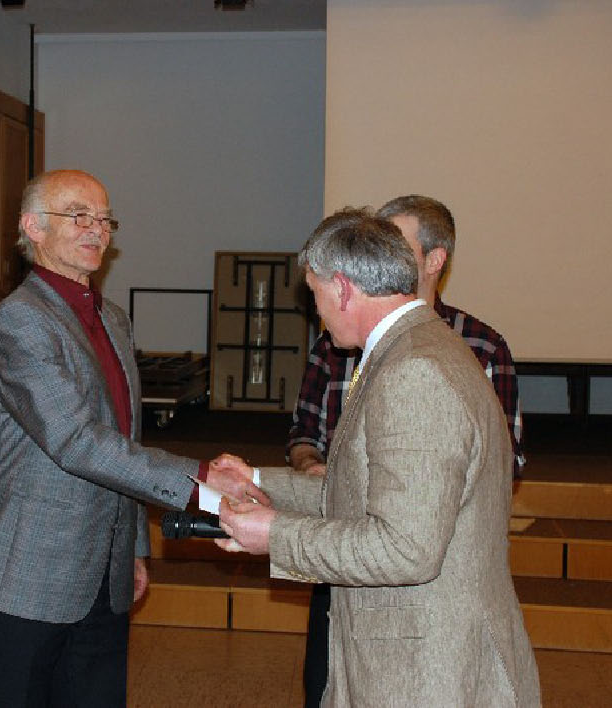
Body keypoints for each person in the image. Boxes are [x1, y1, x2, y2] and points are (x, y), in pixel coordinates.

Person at [0, 169, 267, 707]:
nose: (96, 229)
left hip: (104, 571)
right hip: (29, 567)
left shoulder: (113, 319)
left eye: (104, 219)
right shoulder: (20, 320)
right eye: (78, 215)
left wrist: (132, 551)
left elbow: (124, 439)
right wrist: (200, 480)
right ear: (33, 226)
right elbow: (77, 441)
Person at [219, 209, 541, 706]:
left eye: (315, 293)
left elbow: (406, 548)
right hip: (410, 656)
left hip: (427, 671)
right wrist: (257, 481)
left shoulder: (416, 372)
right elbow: (361, 490)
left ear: (343, 288)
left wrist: (276, 535)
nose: (317, 311)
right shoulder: (413, 348)